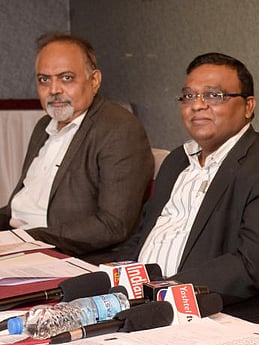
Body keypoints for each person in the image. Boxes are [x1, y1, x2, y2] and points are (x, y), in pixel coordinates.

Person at [115, 53, 259, 331]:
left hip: (225, 318)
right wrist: (116, 278)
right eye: (189, 96)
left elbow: (256, 266)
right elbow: (145, 237)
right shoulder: (177, 161)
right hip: (148, 307)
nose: (198, 106)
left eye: (213, 96)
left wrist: (167, 289)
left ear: (248, 106)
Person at [0, 32, 153, 258]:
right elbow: (21, 205)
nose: (54, 90)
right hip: (20, 244)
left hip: (66, 256)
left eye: (66, 78)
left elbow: (113, 225)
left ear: (94, 80)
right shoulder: (44, 125)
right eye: (44, 79)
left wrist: (30, 240)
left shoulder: (119, 128)